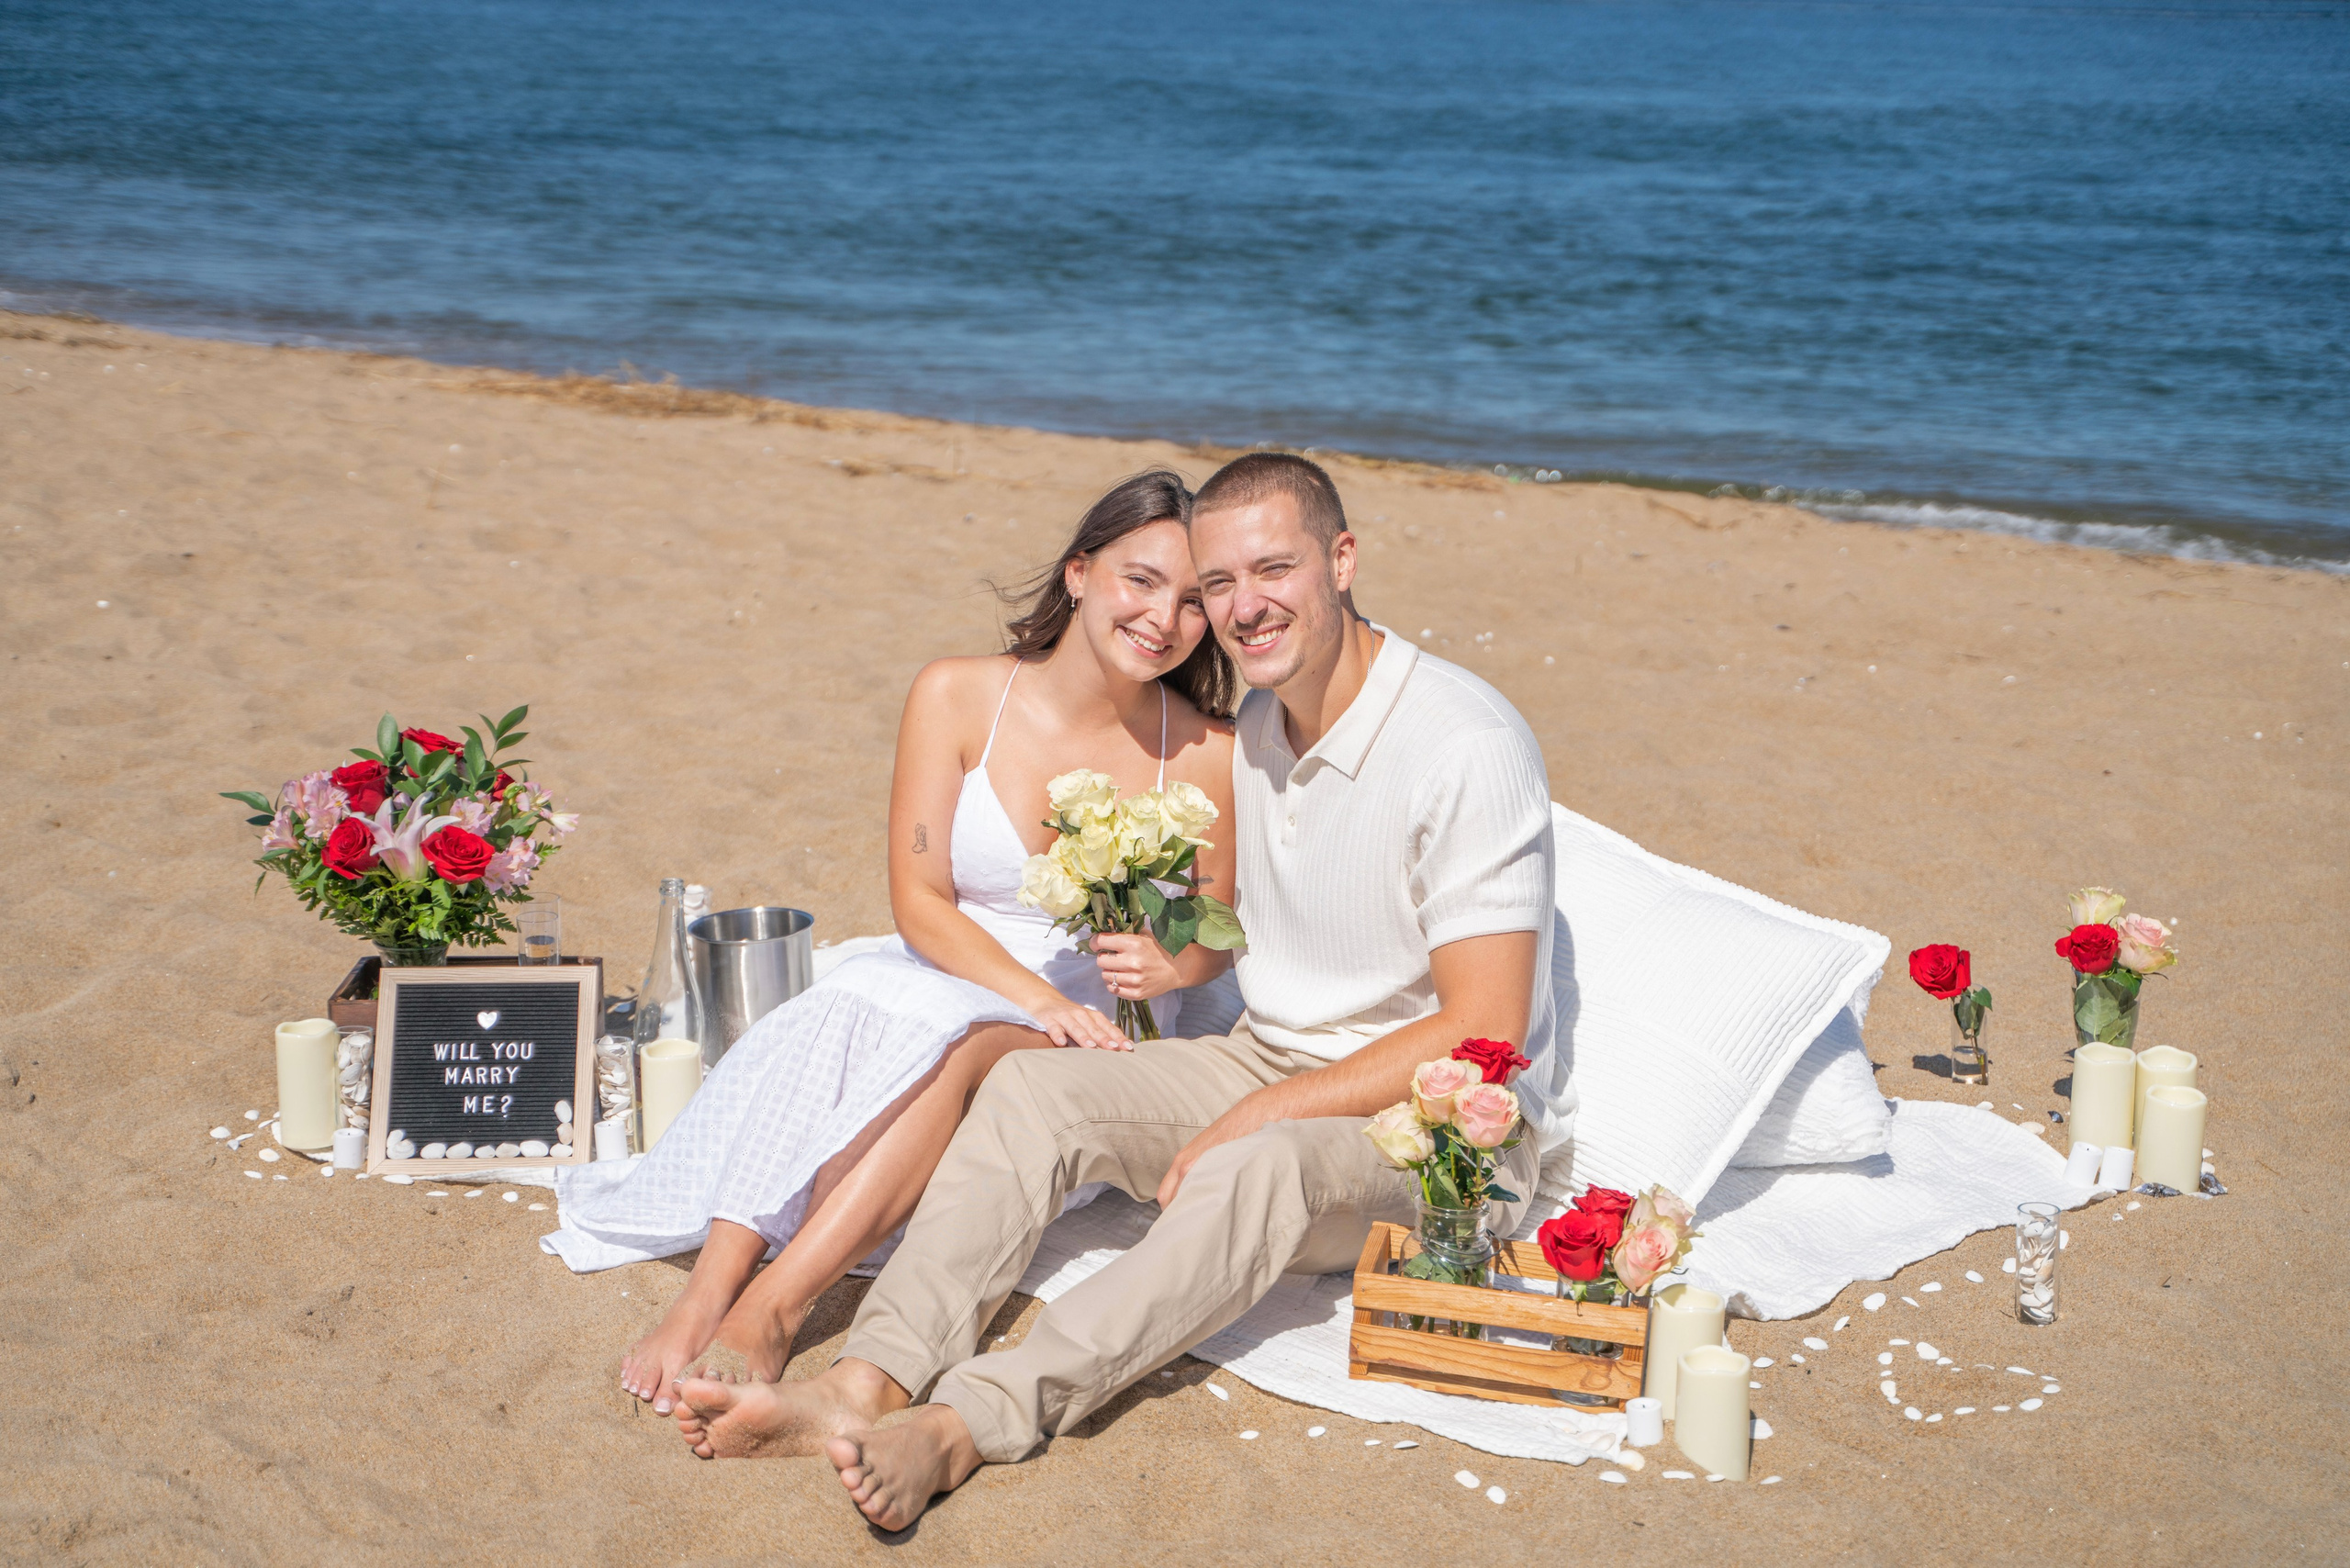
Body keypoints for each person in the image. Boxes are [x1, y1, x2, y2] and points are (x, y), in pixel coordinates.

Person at [668, 454, 1572, 1534]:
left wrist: (1255, 1112)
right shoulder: (1262, 726)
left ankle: (968, 1419)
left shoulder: (1463, 744)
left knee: (1256, 1164)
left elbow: (1482, 1029)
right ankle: (865, 1381)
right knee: (1033, 1091)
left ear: (1342, 560)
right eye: (1218, 583)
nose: (1241, 607)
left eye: (1272, 569)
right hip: (1268, 1057)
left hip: (1446, 1131)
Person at [542, 470, 1241, 1416]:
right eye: (1142, 580)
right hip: (957, 962)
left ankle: (778, 1306)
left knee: (957, 1042)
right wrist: (1031, 994)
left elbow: (1214, 936)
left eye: (1196, 600)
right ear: (1079, 574)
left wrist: (1171, 964)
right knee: (840, 1010)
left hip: (1094, 1012)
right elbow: (918, 899)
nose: (1164, 618)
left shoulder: (1206, 749)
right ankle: (709, 1290)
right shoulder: (956, 694)